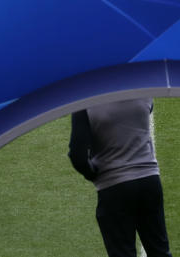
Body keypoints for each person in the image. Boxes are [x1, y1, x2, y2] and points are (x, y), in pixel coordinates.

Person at [68, 99, 173, 257]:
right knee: (160, 252)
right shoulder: (143, 91)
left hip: (113, 187)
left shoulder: (85, 102)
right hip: (150, 182)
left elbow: (78, 156)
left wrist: (95, 175)